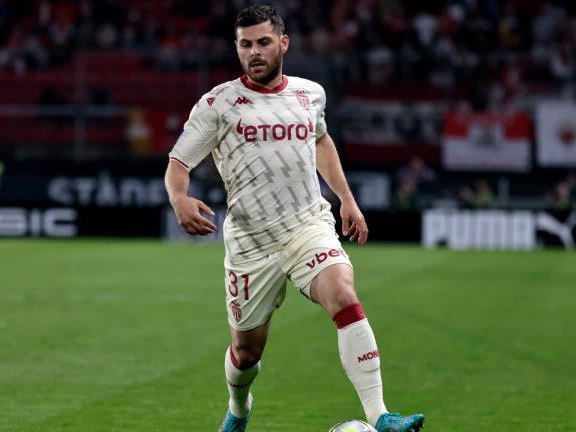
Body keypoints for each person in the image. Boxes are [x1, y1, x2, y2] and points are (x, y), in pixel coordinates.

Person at [163, 6, 425, 432]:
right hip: (251, 242)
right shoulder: (218, 103)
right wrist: (179, 199)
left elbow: (321, 141)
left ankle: (380, 415)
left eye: (263, 42)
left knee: (343, 294)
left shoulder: (309, 94)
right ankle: (239, 408)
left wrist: (347, 199)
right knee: (246, 352)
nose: (254, 52)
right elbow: (178, 162)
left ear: (283, 43)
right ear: (236, 48)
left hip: (306, 225)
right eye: (246, 44)